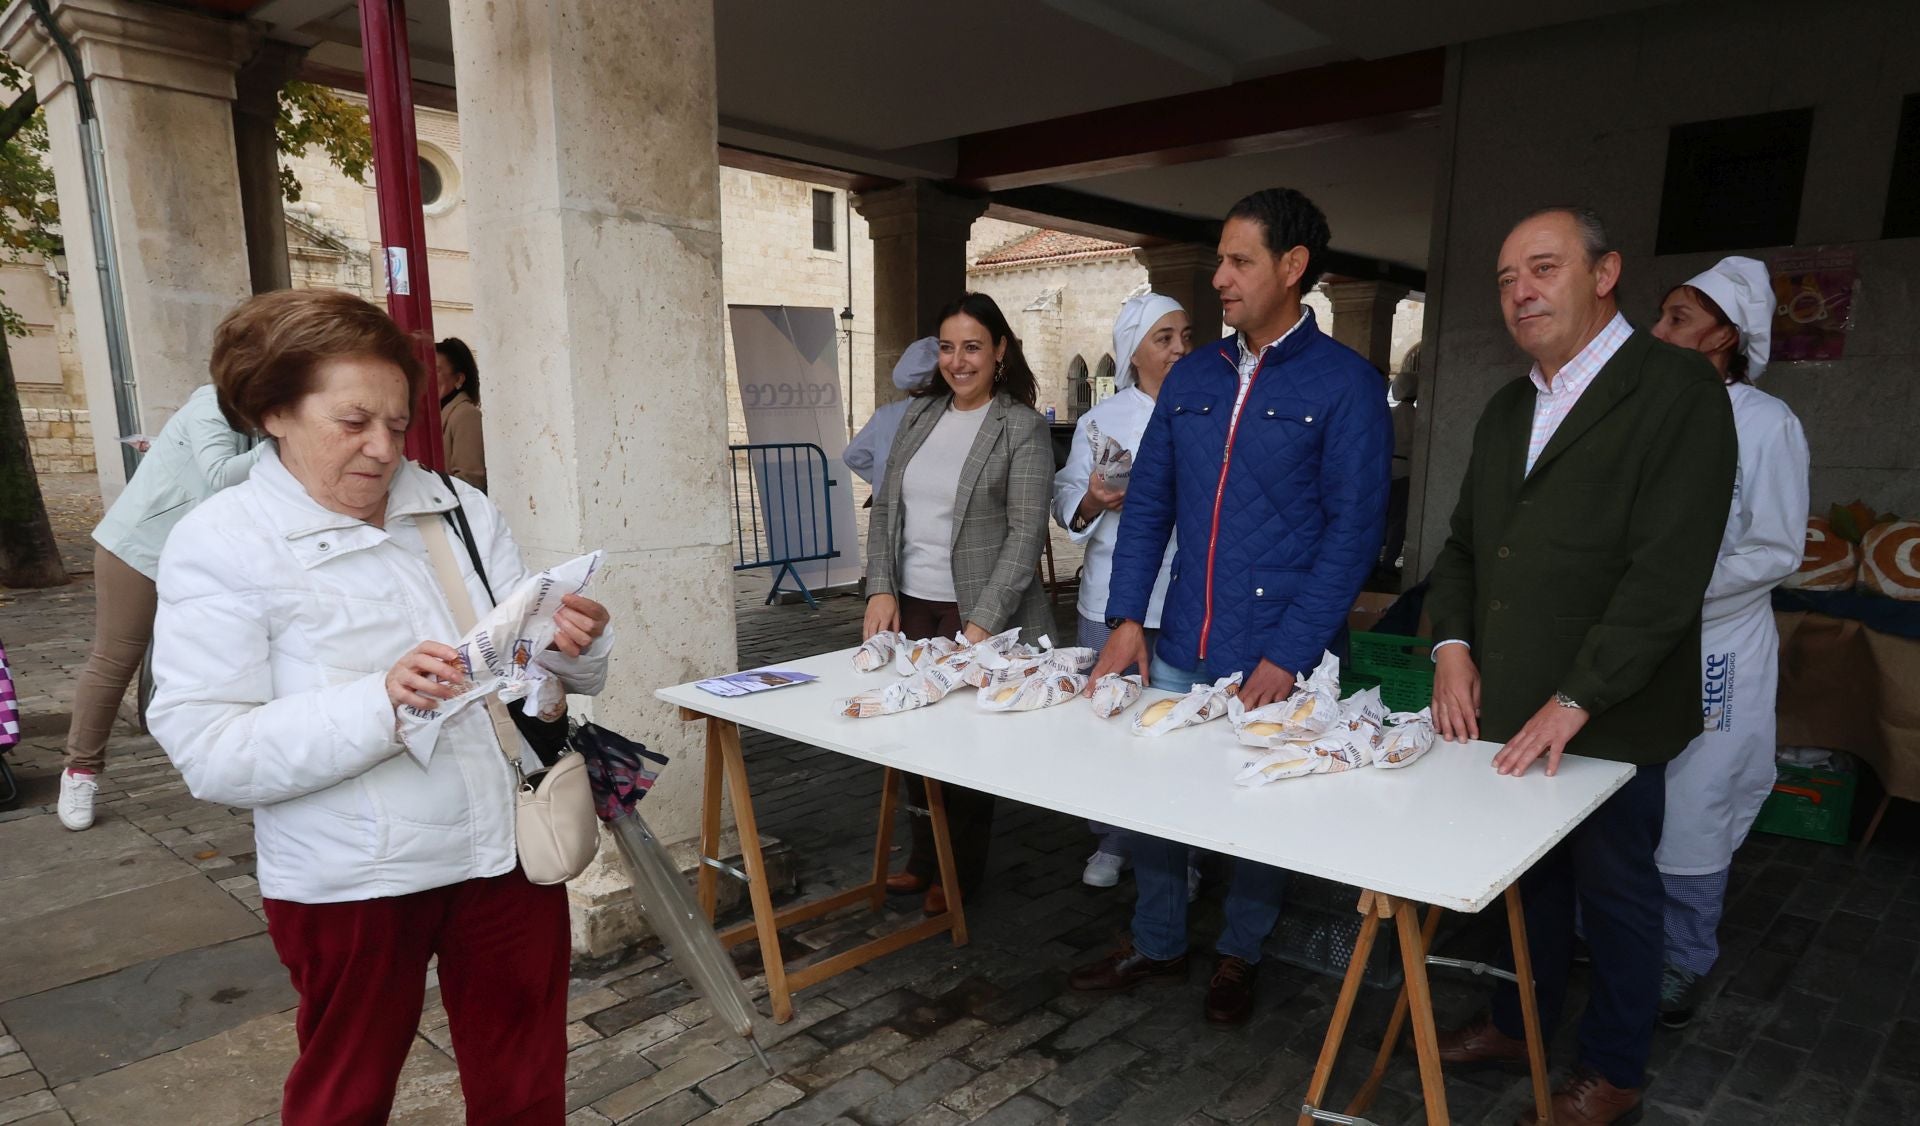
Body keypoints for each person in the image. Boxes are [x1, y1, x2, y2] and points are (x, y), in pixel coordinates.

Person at [147, 289, 613, 1124]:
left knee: (526, 1085)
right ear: (273, 410)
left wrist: (566, 645)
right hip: (351, 878)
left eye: (400, 424)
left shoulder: (456, 508)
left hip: (502, 851)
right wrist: (383, 703)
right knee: (345, 1095)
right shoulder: (221, 542)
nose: (383, 449)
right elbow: (209, 749)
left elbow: (525, 678)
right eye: (354, 421)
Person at [1425, 206, 1736, 1126]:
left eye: (1544, 268)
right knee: (1531, 888)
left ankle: (1613, 1072)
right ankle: (1517, 1024)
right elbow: (1465, 547)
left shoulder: (1674, 390)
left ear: (1604, 275)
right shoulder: (1507, 403)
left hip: (1613, 711)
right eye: (1506, 276)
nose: (1521, 290)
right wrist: (1449, 648)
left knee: (1616, 894)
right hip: (1510, 707)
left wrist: (1578, 696)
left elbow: (1665, 575)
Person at [1071, 188, 1394, 1026]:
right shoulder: (1193, 376)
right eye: (1219, 258)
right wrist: (1125, 617)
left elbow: (1351, 537)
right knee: (1155, 797)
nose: (1219, 277)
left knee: (1255, 808)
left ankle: (1240, 955)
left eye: (1240, 260)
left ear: (1293, 269)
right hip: (1180, 633)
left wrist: (1288, 653)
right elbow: (1148, 507)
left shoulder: (1348, 386)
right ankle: (1158, 939)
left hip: (1274, 649)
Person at [1647, 257, 1809, 1027]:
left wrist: (1678, 593)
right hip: (1634, 637)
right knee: (1616, 788)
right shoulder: (1649, 407)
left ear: (1725, 335)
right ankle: (1606, 925)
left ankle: (1682, 956)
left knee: (1696, 799)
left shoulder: (1766, 423)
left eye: (1678, 318)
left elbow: (1775, 548)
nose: (1658, 331)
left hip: (1714, 644)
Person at [862, 293, 1053, 917]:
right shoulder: (919, 417)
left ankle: (959, 871)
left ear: (999, 351)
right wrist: (880, 586)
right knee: (913, 738)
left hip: (975, 613)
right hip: (911, 607)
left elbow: (1026, 533)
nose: (958, 360)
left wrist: (981, 625)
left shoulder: (1019, 426)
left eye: (972, 346)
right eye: (947, 347)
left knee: (966, 751)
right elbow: (887, 507)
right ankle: (922, 859)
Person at [58, 383, 265, 831]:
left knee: (214, 660)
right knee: (116, 659)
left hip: (203, 557)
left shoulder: (261, 417)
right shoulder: (212, 407)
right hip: (139, 551)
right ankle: (81, 771)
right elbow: (220, 474)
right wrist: (292, 441)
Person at [1052, 292, 1195, 891]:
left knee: (1175, 726)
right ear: (1133, 351)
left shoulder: (1204, 411)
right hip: (1111, 600)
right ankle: (1113, 839)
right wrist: (1092, 499)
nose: (1180, 349)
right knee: (1110, 721)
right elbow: (1064, 505)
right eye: (1164, 339)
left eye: (1185, 336)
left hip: (1188, 600)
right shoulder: (1099, 422)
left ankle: (1180, 853)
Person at [844, 336, 938, 489]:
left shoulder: (885, 414)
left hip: (886, 507)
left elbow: (852, 455)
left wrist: (881, 480)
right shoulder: (947, 414)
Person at [436, 337, 487, 492]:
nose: (428, 376)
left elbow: (470, 481)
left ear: (459, 379)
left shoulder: (466, 415)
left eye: (436, 370)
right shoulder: (435, 414)